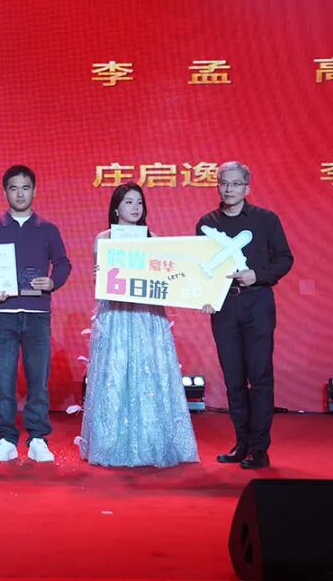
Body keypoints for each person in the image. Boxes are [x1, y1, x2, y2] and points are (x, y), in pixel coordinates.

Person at [75, 183, 199, 468]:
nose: (135, 207)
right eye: (128, 202)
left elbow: (166, 278)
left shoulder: (153, 239)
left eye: (139, 202)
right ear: (116, 208)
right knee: (115, 372)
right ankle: (111, 443)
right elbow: (100, 281)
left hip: (147, 315)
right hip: (116, 315)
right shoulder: (104, 239)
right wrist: (99, 274)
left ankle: (153, 442)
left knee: (150, 372)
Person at [0, 165, 71, 463]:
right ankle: (6, 438)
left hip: (37, 313)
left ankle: (38, 437)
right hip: (3, 313)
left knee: (38, 379)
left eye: (25, 188)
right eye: (13, 188)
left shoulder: (48, 229)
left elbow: (63, 263)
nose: (20, 194)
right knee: (4, 380)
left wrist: (52, 282)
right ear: (5, 192)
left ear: (34, 191)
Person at [197, 161, 293, 470]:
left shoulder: (266, 220)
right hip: (224, 307)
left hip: (257, 303)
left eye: (236, 184)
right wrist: (205, 297)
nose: (229, 189)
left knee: (260, 378)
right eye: (224, 183)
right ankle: (242, 444)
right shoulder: (206, 223)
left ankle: (260, 448)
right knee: (233, 379)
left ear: (247, 188)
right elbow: (199, 266)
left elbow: (285, 259)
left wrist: (258, 275)